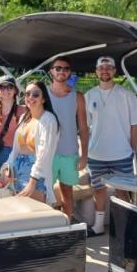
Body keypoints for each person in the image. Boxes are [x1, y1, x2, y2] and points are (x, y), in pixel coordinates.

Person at [85, 56, 137, 235]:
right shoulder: (89, 95)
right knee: (98, 190)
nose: (105, 70)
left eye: (109, 67)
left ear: (114, 71)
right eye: (101, 67)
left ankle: (126, 226)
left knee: (122, 190)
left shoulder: (126, 95)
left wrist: (131, 148)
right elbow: (86, 127)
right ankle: (98, 225)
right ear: (96, 72)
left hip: (122, 154)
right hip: (95, 155)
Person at [47, 56, 89, 219]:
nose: (62, 71)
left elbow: (84, 128)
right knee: (44, 193)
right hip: (48, 152)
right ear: (51, 71)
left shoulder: (78, 96)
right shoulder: (42, 94)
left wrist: (84, 155)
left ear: (70, 73)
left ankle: (68, 226)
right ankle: (45, 227)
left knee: (67, 194)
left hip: (70, 151)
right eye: (58, 68)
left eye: (65, 69)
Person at [4, 80, 59, 204]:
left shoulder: (48, 120)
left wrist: (32, 181)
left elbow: (44, 154)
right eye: (27, 94)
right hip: (17, 169)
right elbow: (15, 150)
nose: (30, 97)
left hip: (36, 173)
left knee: (35, 214)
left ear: (43, 99)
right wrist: (7, 167)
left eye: (35, 94)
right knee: (19, 211)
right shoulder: (24, 118)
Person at [0, 75, 26, 174]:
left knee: (13, 189)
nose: (6, 90)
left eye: (9, 87)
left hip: (15, 158)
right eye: (2, 87)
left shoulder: (24, 111)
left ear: (15, 90)